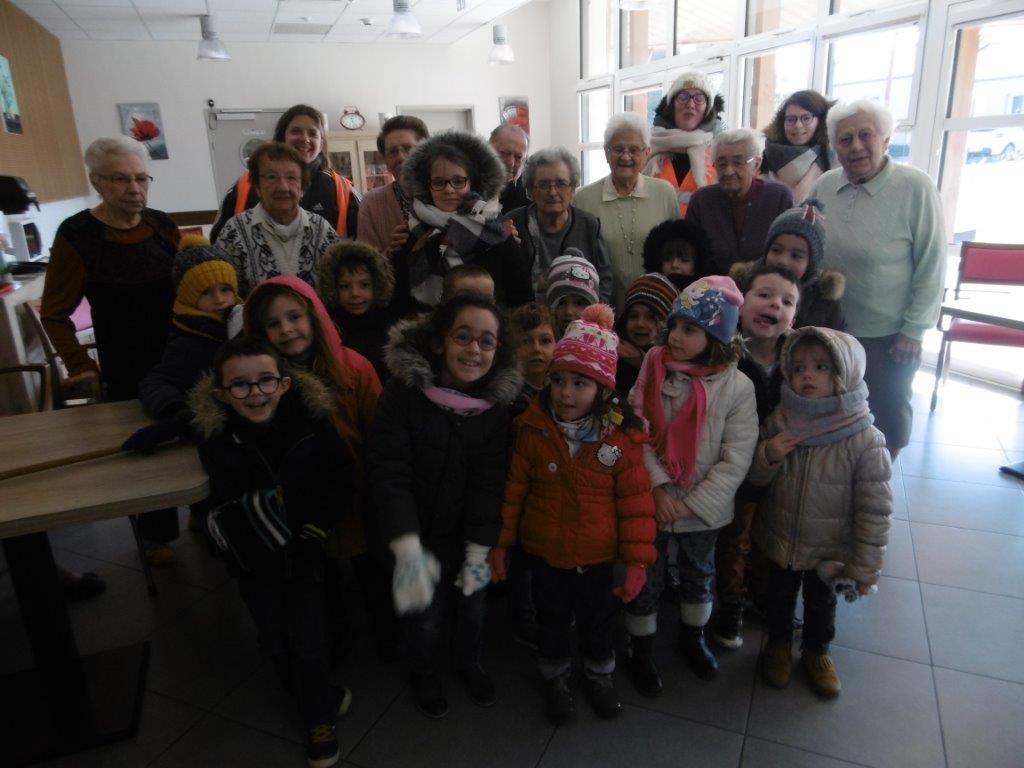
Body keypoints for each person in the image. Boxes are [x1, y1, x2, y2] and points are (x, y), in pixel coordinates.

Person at [190, 336, 355, 767]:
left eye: (266, 381)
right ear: (222, 394)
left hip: (305, 549)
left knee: (308, 638)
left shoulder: (311, 423)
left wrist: (317, 530)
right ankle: (315, 697)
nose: (256, 393)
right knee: (275, 639)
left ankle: (318, 718)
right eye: (240, 386)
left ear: (284, 384)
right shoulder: (217, 436)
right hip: (251, 561)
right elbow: (208, 503)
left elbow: (339, 478)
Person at [491, 304, 656, 724]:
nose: (565, 393)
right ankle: (556, 677)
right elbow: (514, 492)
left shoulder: (621, 440)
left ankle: (600, 676)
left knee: (597, 623)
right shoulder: (532, 429)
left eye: (580, 383)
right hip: (545, 555)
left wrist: (637, 560)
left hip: (597, 559)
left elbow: (636, 505)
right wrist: (501, 546)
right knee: (551, 623)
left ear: (603, 390)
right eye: (558, 380)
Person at [367, 294, 521, 719]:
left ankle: (469, 662)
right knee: (425, 615)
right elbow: (389, 473)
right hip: (414, 533)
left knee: (473, 606)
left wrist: (478, 550)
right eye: (463, 337)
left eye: (486, 341)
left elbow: (489, 483)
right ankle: (424, 670)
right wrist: (407, 547)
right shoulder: (403, 394)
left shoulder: (494, 410)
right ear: (439, 342)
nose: (474, 350)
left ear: (498, 350)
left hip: (464, 532)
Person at [41, 135, 180, 562]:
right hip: (125, 363)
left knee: (192, 434)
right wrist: (81, 365)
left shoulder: (163, 227)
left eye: (141, 178)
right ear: (97, 181)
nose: (134, 188)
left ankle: (206, 514)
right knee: (144, 449)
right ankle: (156, 536)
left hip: (177, 353)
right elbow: (54, 313)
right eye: (120, 179)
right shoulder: (78, 235)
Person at [624, 276, 757, 691]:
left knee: (699, 572)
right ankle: (641, 647)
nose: (676, 337)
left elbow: (736, 458)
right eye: (675, 326)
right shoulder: (654, 366)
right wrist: (659, 487)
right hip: (653, 500)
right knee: (647, 572)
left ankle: (692, 637)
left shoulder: (738, 387)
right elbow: (635, 430)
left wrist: (691, 503)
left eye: (690, 330)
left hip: (703, 510)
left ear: (715, 336)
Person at [750, 327, 892, 698]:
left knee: (820, 602)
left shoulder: (864, 438)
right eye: (797, 368)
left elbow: (874, 512)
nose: (807, 375)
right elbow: (755, 476)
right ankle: (778, 645)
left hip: (829, 547)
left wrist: (864, 567)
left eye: (820, 367)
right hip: (782, 536)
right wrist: (769, 455)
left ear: (845, 374)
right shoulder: (782, 420)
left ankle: (817, 651)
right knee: (778, 598)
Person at [809, 99, 946, 457]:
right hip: (831, 328)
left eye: (865, 135)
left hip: (889, 336)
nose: (855, 146)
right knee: (833, 417)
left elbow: (933, 262)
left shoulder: (915, 187)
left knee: (887, 420)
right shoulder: (824, 185)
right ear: (834, 146)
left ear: (885, 139)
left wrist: (914, 330)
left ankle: (878, 490)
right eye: (844, 138)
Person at [712, 264, 801, 649]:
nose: (774, 306)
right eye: (764, 295)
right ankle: (730, 604)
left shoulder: (799, 358)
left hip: (779, 464)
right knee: (736, 539)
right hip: (733, 462)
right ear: (743, 300)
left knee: (773, 536)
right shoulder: (721, 348)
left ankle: (764, 597)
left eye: (787, 301)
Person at [392, 130, 532, 315]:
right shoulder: (414, 235)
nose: (449, 189)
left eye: (458, 181)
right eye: (439, 182)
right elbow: (399, 304)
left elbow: (521, 300)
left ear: (471, 184)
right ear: (427, 186)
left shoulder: (497, 232)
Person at [126, 237, 240, 456]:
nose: (219, 299)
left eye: (226, 289)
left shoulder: (245, 322)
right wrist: (178, 410)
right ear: (188, 297)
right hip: (212, 436)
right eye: (206, 292)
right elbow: (155, 382)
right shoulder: (187, 340)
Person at [574, 113, 680, 310]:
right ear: (606, 153)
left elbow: (675, 253)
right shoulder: (583, 199)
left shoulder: (664, 192)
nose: (625, 156)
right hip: (602, 308)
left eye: (634, 150)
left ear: (647, 153)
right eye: (618, 149)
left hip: (656, 309)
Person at [210, 104, 359, 242]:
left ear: (321, 144)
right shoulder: (246, 186)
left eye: (313, 133)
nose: (305, 139)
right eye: (296, 131)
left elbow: (362, 248)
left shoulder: (343, 190)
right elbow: (219, 244)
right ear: (282, 138)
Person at [215, 142, 340, 298]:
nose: (283, 187)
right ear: (257, 187)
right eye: (271, 177)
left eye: (291, 177)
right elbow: (225, 297)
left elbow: (339, 289)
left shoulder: (322, 229)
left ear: (302, 188)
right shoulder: (234, 232)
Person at [505, 147, 611, 302]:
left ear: (573, 187)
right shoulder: (513, 223)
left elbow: (604, 281)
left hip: (578, 319)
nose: (553, 192)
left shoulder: (589, 225)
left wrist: (592, 320)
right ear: (530, 189)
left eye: (561, 183)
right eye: (543, 184)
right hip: (525, 320)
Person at [686, 128, 794, 273]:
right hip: (712, 290)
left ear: (756, 164)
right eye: (722, 164)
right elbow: (690, 256)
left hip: (766, 288)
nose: (728, 171)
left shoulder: (779, 197)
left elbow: (789, 255)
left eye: (738, 163)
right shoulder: (701, 201)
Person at [731, 201, 845, 330]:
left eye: (796, 256)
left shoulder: (825, 301)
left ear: (811, 263)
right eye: (776, 250)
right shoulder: (741, 285)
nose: (783, 261)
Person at [645, 71, 726, 216]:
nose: (690, 104)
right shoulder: (646, 147)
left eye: (699, 98)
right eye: (683, 97)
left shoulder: (722, 150)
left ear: (708, 108)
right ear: (671, 105)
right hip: (656, 236)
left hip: (702, 236)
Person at [317, 240, 395, 383]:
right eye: (345, 286)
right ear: (333, 289)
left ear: (377, 285)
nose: (355, 293)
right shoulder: (328, 330)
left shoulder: (390, 327)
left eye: (364, 285)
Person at [357, 115, 430, 256]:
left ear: (425, 152)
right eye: (392, 151)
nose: (401, 157)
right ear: (385, 160)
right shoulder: (371, 203)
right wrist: (391, 252)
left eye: (408, 149)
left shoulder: (446, 193)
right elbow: (365, 264)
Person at [761, 90, 835, 204]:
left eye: (806, 118)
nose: (798, 125)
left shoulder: (831, 158)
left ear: (821, 120)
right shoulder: (765, 157)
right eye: (791, 119)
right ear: (782, 122)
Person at [615, 273, 678, 395]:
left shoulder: (681, 357)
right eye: (633, 316)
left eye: (651, 317)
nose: (640, 324)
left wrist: (641, 363)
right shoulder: (612, 354)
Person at [641, 218, 715, 290]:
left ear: (697, 264)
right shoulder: (647, 292)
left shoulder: (707, 297)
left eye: (684, 260)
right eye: (667, 259)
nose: (674, 265)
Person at [545, 250, 600, 338]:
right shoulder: (542, 345)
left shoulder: (604, 344)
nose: (568, 311)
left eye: (579, 303)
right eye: (561, 303)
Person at [490, 123, 530, 212]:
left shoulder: (532, 196)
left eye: (518, 157)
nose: (511, 163)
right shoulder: (464, 185)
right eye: (504, 153)